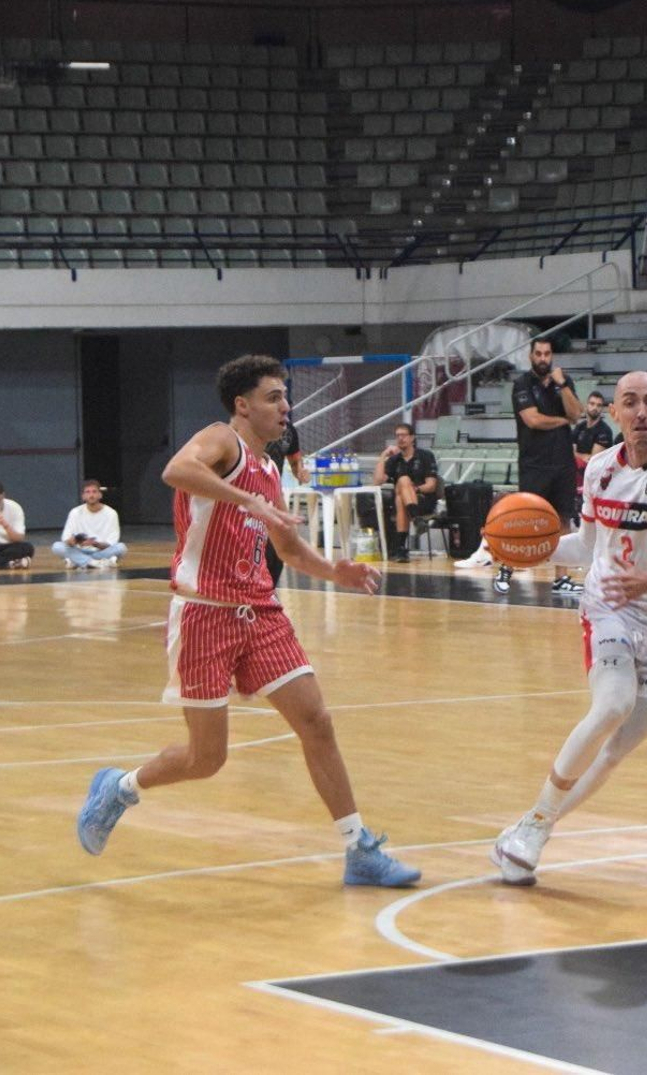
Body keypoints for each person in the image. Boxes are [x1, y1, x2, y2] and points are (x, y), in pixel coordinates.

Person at [74, 354, 420, 889]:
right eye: (273, 398)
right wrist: (249, 503)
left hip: (259, 611)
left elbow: (290, 549)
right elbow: (176, 471)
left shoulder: (270, 470)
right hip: (204, 613)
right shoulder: (222, 441)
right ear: (243, 405)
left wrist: (335, 571)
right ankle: (120, 787)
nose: (285, 407)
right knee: (207, 758)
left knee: (316, 721)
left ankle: (359, 849)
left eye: (285, 398)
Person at [492, 371, 647, 884]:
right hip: (611, 607)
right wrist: (529, 549)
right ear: (616, 414)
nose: (640, 412)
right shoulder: (599, 470)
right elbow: (588, 548)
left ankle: (533, 821)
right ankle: (535, 827)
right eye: (630, 403)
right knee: (613, 704)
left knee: (619, 748)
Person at [501, 338, 582, 595]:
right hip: (534, 464)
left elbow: (576, 414)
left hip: (562, 463)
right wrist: (562, 420)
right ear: (531, 356)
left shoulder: (564, 382)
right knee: (524, 518)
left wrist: (562, 387)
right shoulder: (522, 384)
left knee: (563, 519)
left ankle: (561, 577)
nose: (543, 358)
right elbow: (533, 420)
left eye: (547, 354)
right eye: (539, 354)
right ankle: (506, 568)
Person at [373, 422, 439, 564]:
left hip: (423, 500)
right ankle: (416, 520)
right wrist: (383, 455)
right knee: (402, 485)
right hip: (410, 505)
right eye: (397, 436)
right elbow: (378, 481)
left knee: (400, 494)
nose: (400, 438)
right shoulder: (394, 460)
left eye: (403, 435)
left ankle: (402, 549)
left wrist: (413, 489)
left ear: (412, 438)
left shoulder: (425, 455)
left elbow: (431, 486)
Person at [263, 416, 305, 586]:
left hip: (274, 497)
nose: (283, 405)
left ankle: (267, 597)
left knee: (276, 556)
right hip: (250, 499)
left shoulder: (289, 431)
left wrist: (300, 471)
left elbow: (295, 462)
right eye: (274, 398)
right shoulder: (248, 428)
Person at [51, 479, 127, 569]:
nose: (91, 495)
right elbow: (66, 539)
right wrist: (73, 541)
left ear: (100, 495)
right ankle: (93, 562)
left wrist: (95, 544)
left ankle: (78, 561)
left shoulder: (111, 513)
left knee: (121, 548)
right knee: (57, 546)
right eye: (88, 492)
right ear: (83, 496)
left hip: (99, 551)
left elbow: (111, 542)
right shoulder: (75, 512)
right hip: (79, 550)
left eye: (94, 492)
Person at [573, 391, 614, 470]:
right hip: (576, 472)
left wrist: (576, 455)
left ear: (602, 409)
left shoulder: (605, 430)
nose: (595, 408)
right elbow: (569, 453)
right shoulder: (579, 427)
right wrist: (583, 456)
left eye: (599, 405)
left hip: (595, 474)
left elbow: (593, 460)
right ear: (586, 405)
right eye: (592, 404)